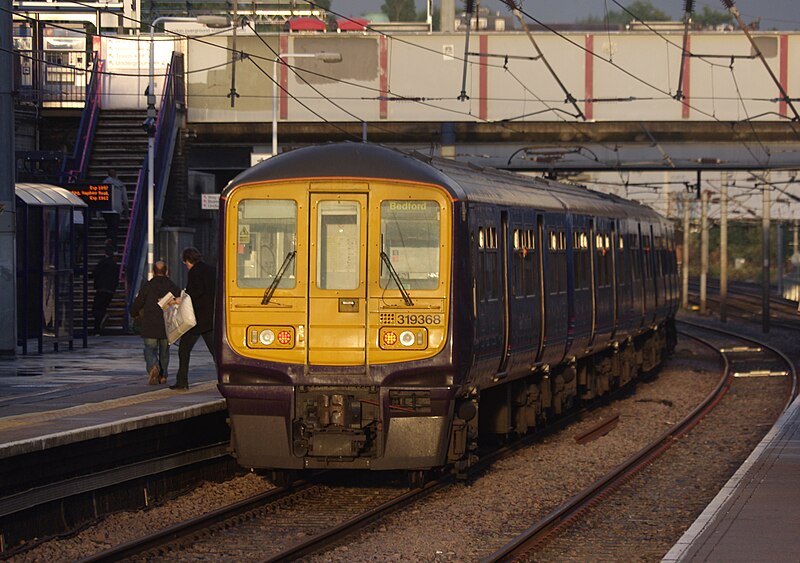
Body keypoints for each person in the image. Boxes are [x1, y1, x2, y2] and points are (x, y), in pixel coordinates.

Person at [172, 247, 216, 390]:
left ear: (189, 260)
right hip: (210, 318)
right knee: (216, 352)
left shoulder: (194, 272)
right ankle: (227, 377)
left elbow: (194, 293)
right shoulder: (212, 270)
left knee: (184, 350)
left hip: (196, 320)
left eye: (185, 263)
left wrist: (181, 299)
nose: (186, 266)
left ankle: (182, 382)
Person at [130, 260, 180, 385]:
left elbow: (139, 302)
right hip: (166, 325)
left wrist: (133, 313)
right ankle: (163, 376)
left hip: (150, 324)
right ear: (167, 272)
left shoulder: (148, 285)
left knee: (149, 349)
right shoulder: (172, 286)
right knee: (164, 352)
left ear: (153, 272)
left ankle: (153, 366)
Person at [92, 246, 118, 335]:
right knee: (102, 307)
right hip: (110, 290)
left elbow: (95, 273)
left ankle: (97, 329)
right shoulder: (115, 265)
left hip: (101, 288)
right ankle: (100, 322)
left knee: (97, 308)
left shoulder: (102, 262)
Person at [102, 168, 130, 250]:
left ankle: (108, 240)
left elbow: (100, 197)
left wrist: (98, 212)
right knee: (114, 228)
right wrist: (126, 213)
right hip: (116, 209)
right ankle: (113, 246)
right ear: (116, 174)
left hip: (106, 209)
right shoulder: (121, 185)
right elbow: (125, 200)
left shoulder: (104, 184)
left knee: (109, 226)